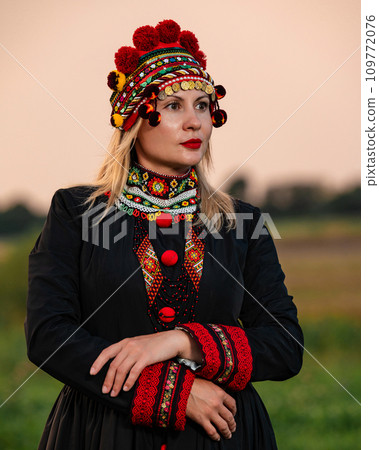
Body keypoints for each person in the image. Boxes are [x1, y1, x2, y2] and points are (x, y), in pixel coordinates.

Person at [24, 19, 304, 449]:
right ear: (135, 118)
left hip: (224, 434)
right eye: (173, 106)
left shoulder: (241, 222)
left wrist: (182, 341)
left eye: (203, 106)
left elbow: (284, 345)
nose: (195, 122)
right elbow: (49, 336)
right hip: (106, 432)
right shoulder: (75, 212)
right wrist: (178, 393)